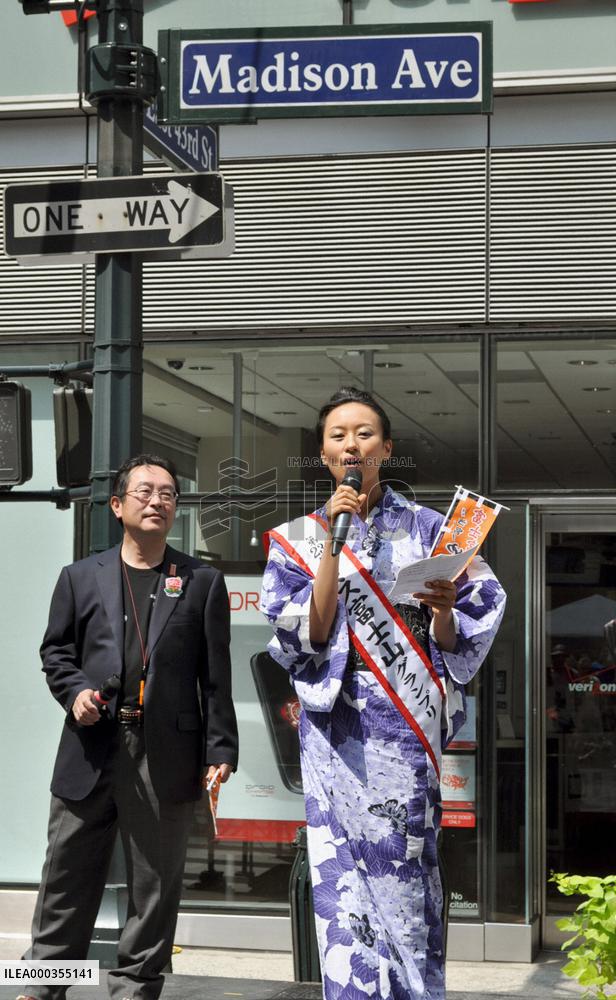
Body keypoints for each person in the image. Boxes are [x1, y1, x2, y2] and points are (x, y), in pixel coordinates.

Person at [260, 388, 506, 1000]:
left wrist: (445, 611)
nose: (352, 444)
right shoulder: (297, 538)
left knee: (405, 870)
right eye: (339, 434)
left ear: (386, 449)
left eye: (365, 434)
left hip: (403, 725)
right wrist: (330, 553)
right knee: (341, 879)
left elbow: (460, 639)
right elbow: (305, 638)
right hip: (335, 733)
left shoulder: (432, 531)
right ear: (323, 453)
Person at [20, 454, 238, 1000]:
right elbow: (55, 653)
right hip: (91, 749)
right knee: (64, 879)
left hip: (166, 754)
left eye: (167, 493)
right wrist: (74, 696)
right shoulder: (79, 576)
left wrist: (221, 748)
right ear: (118, 506)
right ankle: (40, 986)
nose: (156, 501)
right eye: (144, 491)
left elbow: (216, 675)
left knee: (154, 886)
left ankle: (134, 990)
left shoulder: (202, 582)